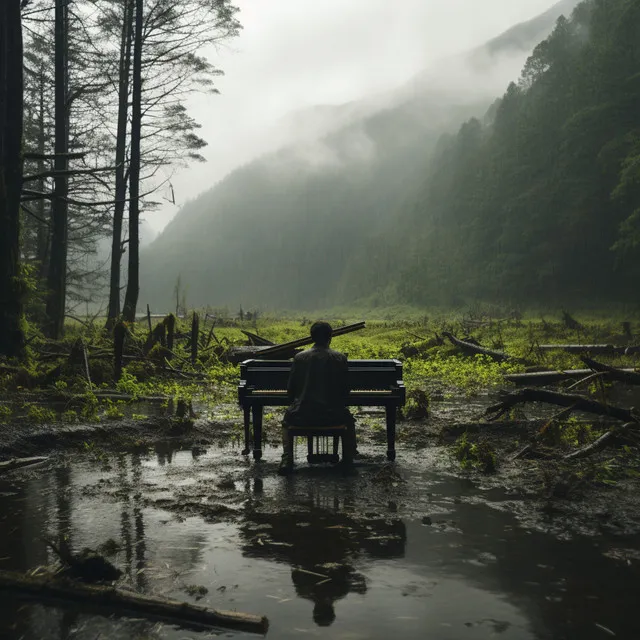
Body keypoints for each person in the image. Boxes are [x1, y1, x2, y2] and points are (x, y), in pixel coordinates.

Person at [279, 321, 356, 474]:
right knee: (349, 420)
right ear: (331, 337)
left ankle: (287, 459)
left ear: (312, 337)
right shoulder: (340, 358)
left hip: (302, 416)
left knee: (286, 420)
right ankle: (348, 460)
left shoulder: (299, 358)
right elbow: (346, 392)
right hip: (333, 416)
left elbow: (290, 391)